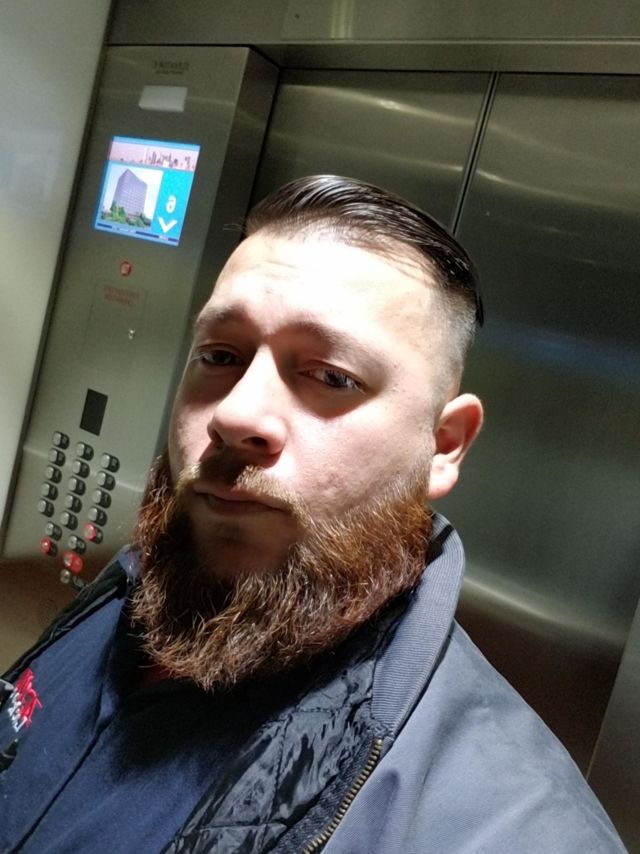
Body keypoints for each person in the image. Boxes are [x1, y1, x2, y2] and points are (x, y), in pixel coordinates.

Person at [0, 176, 625, 853]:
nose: (236, 414)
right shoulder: (137, 583)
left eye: (331, 376)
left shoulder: (513, 829)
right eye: (221, 356)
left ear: (443, 446)